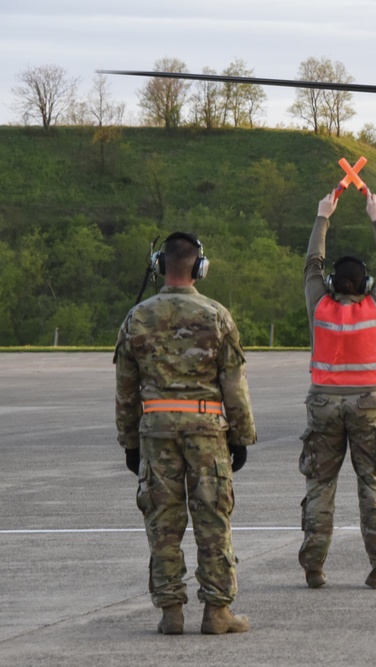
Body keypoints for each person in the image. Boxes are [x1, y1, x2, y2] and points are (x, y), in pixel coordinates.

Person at [115, 231, 256, 635]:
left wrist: (129, 442)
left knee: (163, 523)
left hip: (156, 435)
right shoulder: (217, 315)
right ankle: (216, 611)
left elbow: (126, 390)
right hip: (207, 435)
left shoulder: (138, 317)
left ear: (161, 266)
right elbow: (234, 385)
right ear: (198, 267)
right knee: (212, 520)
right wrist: (242, 436)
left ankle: (171, 611)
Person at [298, 188, 376, 590]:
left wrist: (323, 215)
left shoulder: (319, 306)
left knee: (320, 485)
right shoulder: (374, 309)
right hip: (367, 403)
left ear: (330, 283)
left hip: (322, 403)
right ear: (366, 285)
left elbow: (311, 263)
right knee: (371, 484)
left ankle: (314, 566)